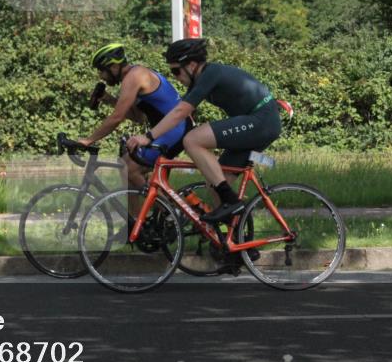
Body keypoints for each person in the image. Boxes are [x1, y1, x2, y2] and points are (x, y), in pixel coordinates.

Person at [126, 38, 281, 224]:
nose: (175, 77)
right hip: (259, 122)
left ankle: (231, 201)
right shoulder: (201, 80)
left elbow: (181, 112)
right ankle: (234, 238)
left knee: (192, 140)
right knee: (215, 182)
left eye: (176, 71)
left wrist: (148, 137)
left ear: (191, 65)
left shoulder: (210, 73)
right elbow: (179, 113)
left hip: (262, 121)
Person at [77, 43, 191, 193]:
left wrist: (88, 140)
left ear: (113, 67)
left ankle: (165, 207)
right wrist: (109, 99)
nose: (100, 76)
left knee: (129, 169)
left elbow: (116, 118)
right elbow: (138, 117)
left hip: (175, 129)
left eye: (101, 70)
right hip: (173, 128)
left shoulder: (134, 77)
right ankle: (144, 208)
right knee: (125, 165)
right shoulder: (134, 74)